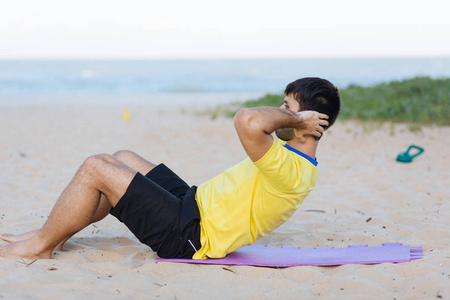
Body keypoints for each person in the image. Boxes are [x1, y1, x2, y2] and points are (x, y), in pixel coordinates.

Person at [0, 77, 340, 261]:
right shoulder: (289, 156)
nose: (281, 112)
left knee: (95, 167)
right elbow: (257, 123)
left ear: (312, 123)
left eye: (288, 107)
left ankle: (40, 246)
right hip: (193, 203)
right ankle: (54, 235)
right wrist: (295, 116)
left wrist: (296, 119)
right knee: (122, 156)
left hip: (191, 235)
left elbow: (246, 119)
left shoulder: (291, 170)